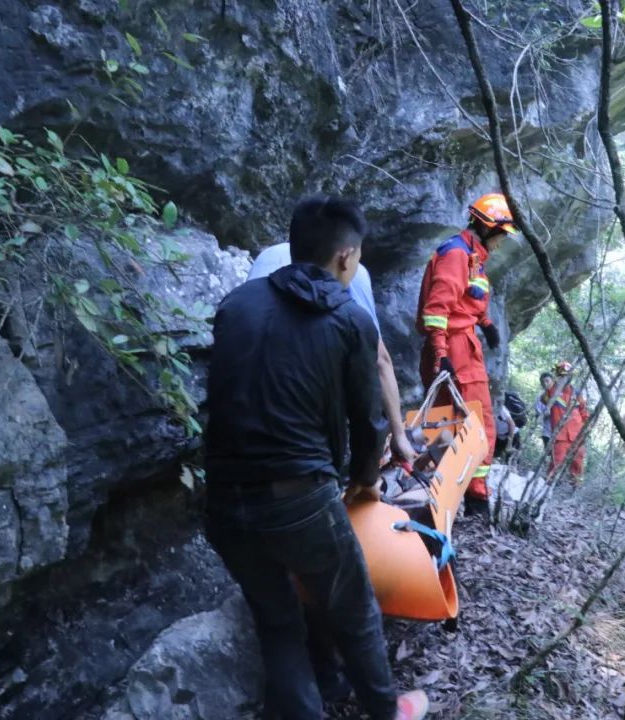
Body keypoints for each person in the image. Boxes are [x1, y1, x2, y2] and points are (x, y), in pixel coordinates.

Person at [204, 195, 428, 720]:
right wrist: (366, 481)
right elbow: (367, 422)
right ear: (346, 257)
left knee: (279, 622)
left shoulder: (236, 305)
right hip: (297, 497)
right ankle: (387, 710)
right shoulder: (350, 320)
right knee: (354, 609)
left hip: (222, 501)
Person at [248, 242, 416, 464]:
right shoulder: (355, 275)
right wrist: (398, 435)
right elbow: (379, 360)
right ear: (346, 257)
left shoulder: (268, 258)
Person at [415, 192, 517, 508]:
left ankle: (444, 489)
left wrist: (485, 322)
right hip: (454, 346)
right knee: (478, 420)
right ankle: (475, 494)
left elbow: (467, 297)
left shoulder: (471, 256)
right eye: (501, 234)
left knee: (448, 421)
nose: (501, 242)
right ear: (488, 228)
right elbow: (437, 310)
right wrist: (443, 354)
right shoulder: (457, 254)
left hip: (455, 344)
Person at [544, 361, 589, 486]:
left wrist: (587, 427)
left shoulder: (576, 392)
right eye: (561, 375)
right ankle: (548, 486)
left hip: (577, 433)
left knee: (578, 461)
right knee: (557, 461)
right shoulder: (552, 391)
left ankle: (576, 487)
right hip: (560, 434)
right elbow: (544, 400)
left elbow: (584, 411)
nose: (564, 378)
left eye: (567, 376)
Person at [534, 371, 555, 448]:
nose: (545, 384)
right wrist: (546, 413)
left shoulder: (560, 394)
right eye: (543, 382)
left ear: (552, 381)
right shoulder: (540, 397)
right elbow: (539, 415)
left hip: (561, 432)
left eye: (547, 381)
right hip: (547, 432)